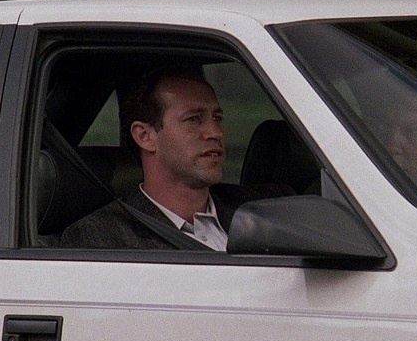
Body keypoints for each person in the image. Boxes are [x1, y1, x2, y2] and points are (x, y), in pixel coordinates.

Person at [60, 66, 290, 250]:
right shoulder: (102, 237)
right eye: (194, 119)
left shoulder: (267, 207)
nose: (215, 132)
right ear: (145, 136)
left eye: (217, 118)